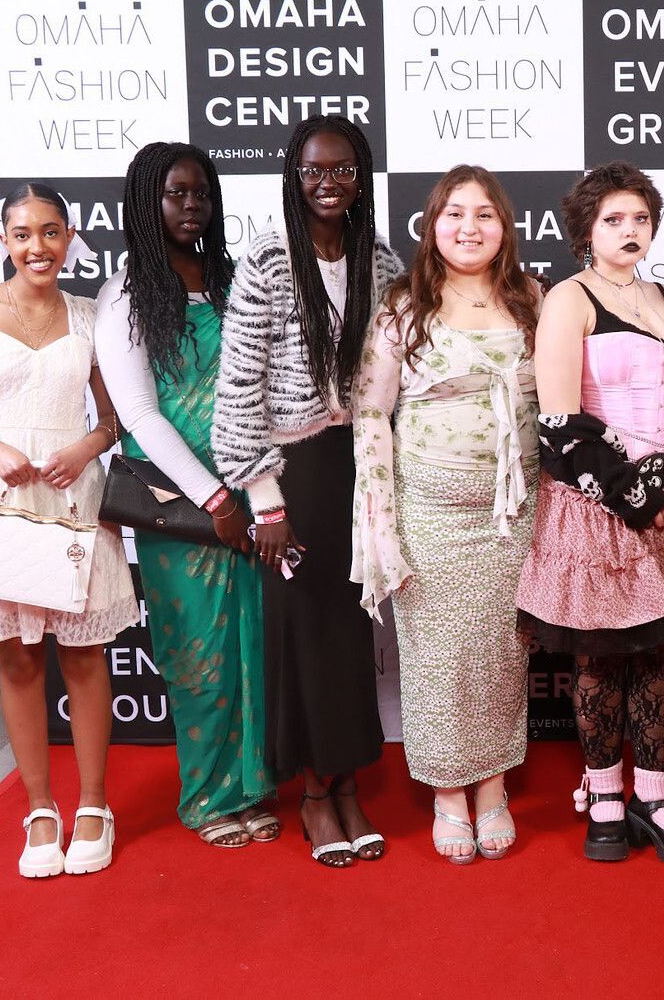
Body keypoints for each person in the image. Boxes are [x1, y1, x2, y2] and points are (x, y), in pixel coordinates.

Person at [0, 183, 137, 878]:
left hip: (72, 500)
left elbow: (113, 418)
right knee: (16, 659)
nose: (36, 247)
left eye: (49, 232)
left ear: (70, 237)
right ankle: (41, 808)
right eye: (22, 234)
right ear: (1, 239)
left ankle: (94, 804)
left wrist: (85, 447)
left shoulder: (92, 317)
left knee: (86, 655)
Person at [212, 114, 404, 868]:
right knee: (308, 630)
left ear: (362, 177)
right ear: (294, 178)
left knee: (354, 632)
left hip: (364, 462)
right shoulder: (266, 259)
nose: (329, 184)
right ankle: (317, 797)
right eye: (314, 171)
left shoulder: (380, 261)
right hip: (295, 474)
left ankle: (349, 781)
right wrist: (264, 499)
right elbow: (238, 389)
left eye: (344, 170)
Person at [516, 161, 664, 870]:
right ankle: (603, 796)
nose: (630, 231)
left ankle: (656, 796)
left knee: (662, 653)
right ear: (586, 231)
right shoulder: (567, 299)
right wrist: (635, 497)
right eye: (614, 220)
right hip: (595, 502)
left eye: (640, 219)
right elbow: (559, 425)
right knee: (601, 656)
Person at [352, 165, 540, 864]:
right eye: (455, 213)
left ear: (504, 227)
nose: (470, 227)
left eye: (485, 214)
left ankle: (492, 785)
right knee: (436, 658)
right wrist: (379, 521)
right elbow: (371, 411)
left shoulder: (533, 300)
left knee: (497, 654)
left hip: (512, 511)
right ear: (432, 225)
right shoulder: (404, 305)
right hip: (428, 510)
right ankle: (445, 793)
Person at [94, 142, 279, 849]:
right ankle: (206, 798)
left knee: (254, 645)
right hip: (183, 506)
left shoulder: (234, 281)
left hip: (256, 491)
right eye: (175, 193)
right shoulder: (127, 295)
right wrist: (214, 499)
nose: (191, 204)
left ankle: (254, 786)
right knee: (198, 649)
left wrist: (259, 494)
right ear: (147, 201)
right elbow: (139, 415)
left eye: (201, 191)